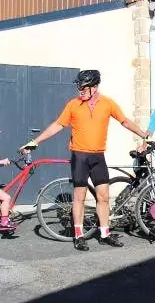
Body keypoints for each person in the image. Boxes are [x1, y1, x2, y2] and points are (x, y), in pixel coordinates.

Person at [21, 69, 148, 251]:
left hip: (98, 156)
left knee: (103, 197)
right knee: (79, 197)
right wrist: (35, 142)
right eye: (79, 87)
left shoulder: (108, 103)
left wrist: (144, 135)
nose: (80, 90)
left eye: (83, 87)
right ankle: (79, 235)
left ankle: (105, 234)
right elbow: (58, 125)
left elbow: (125, 121)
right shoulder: (73, 105)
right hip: (79, 156)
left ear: (94, 87)